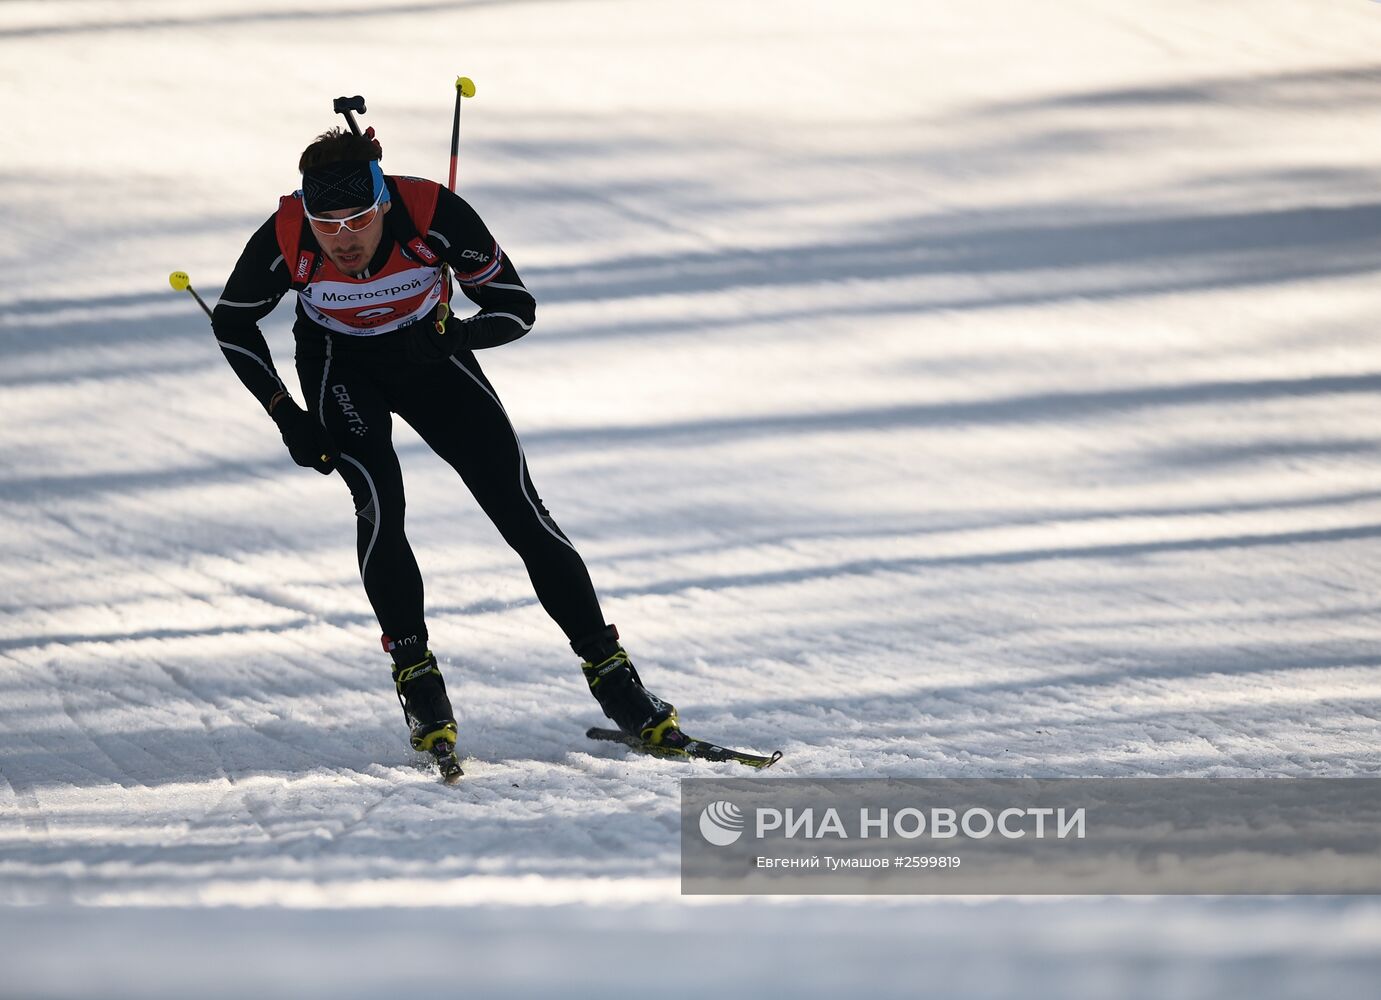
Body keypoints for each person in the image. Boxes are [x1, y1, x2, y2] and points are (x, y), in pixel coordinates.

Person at [210, 126, 678, 762]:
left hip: (430, 357)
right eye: (328, 225)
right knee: (378, 500)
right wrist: (285, 414)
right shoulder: (286, 232)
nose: (343, 240)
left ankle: (616, 682)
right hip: (338, 365)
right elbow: (233, 321)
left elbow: (517, 306)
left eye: (358, 221)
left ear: (383, 206)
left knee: (521, 511)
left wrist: (458, 337)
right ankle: (418, 680)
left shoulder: (432, 213)